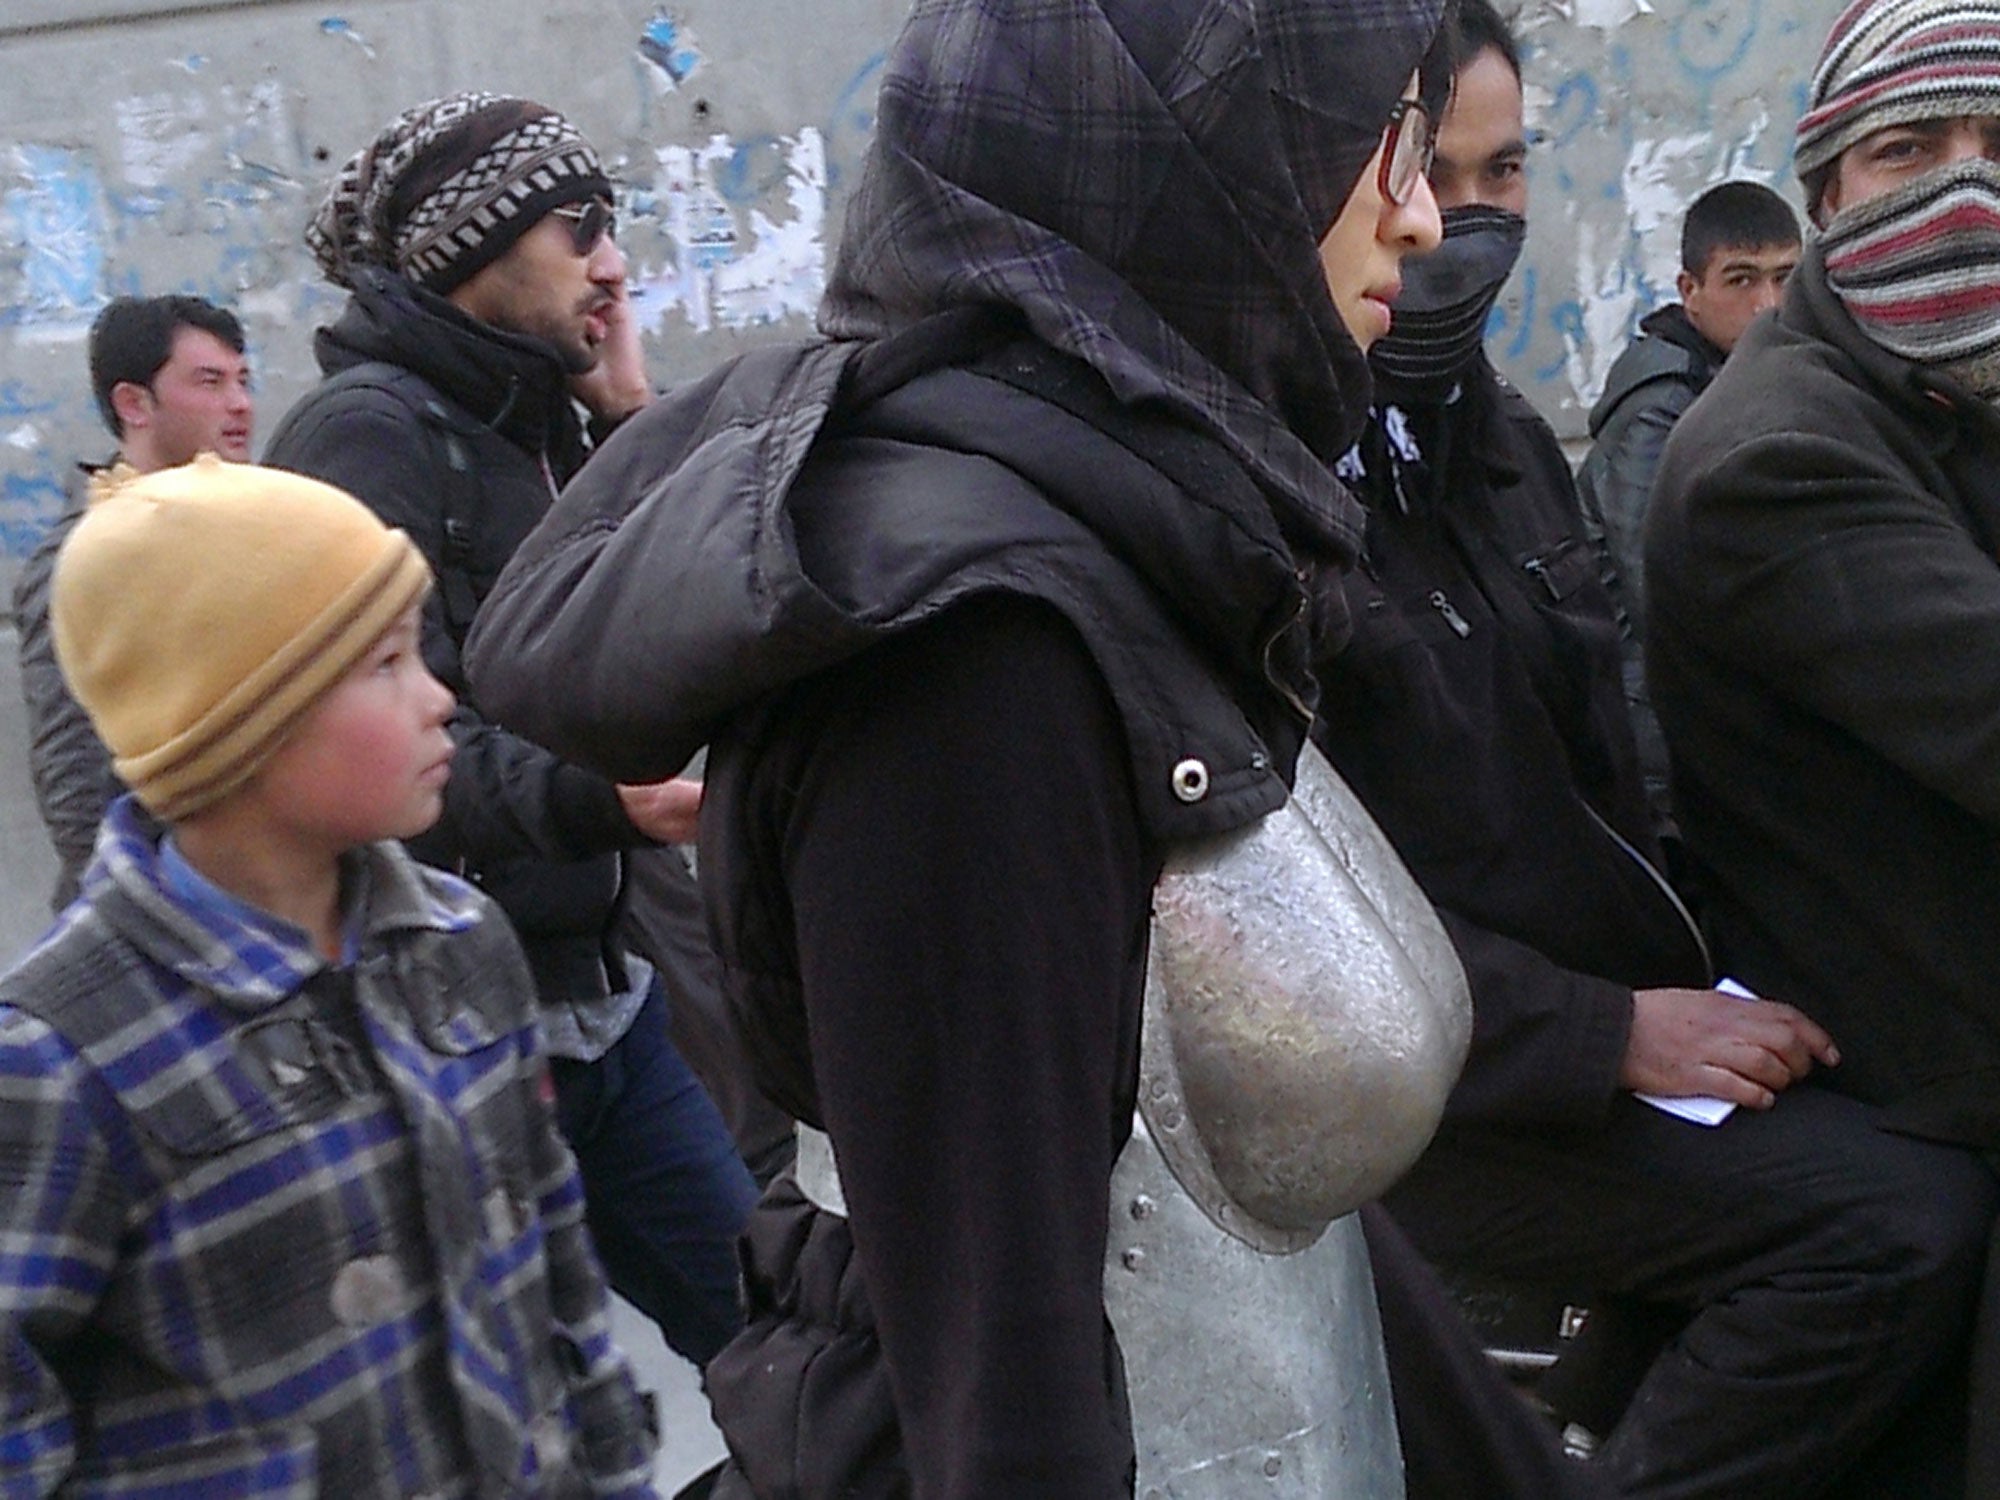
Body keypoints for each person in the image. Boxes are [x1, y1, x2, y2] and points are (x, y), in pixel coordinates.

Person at [462, 1, 1485, 1493]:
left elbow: (1242, 1223)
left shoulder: (1141, 513)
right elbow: (1005, 1379)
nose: (1422, 216)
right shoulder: (972, 654)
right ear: (1178, 164)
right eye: (1372, 142)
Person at [1313, 3, 2000, 1495]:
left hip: (1620, 1012)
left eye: (1503, 177)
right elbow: (1293, 933)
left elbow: (1600, 777)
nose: (1455, 223)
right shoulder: (1272, 489)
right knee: (1894, 1225)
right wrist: (1604, 1030)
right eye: (1423, 170)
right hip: (1442, 1084)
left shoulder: (1486, 441)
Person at [0, 457, 657, 1496]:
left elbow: (556, 1269)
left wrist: (613, 1470)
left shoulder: (462, 942)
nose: (440, 698)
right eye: (386, 662)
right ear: (241, 719)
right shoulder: (58, 1056)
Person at [259, 92, 756, 1369]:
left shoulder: (538, 417)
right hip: (453, 1032)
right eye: (578, 227)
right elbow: (378, 743)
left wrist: (626, 416)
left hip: (605, 1007)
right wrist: (610, 802)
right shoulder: (364, 437)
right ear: (474, 248)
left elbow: (670, 608)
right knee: (512, 1408)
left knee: (776, 1341)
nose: (612, 261)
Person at [1646, 0, 2000, 1487]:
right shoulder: (1777, 451)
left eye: (1999, 149)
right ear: (1830, 190)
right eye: (1912, 152)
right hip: (1924, 1057)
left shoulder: (1951, 384)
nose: (1967, 193)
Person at [13, 294, 254, 910]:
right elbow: (75, 779)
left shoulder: (251, 526)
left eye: (242, 380)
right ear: (133, 404)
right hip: (157, 914)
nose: (240, 404)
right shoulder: (85, 554)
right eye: (210, 381)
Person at [1575, 181, 1801, 831]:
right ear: (1689, 292)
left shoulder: (1755, 383)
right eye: (1741, 280)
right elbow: (1663, 598)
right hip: (1663, 756)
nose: (1768, 305)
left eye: (1786, 278)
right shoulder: (1660, 410)